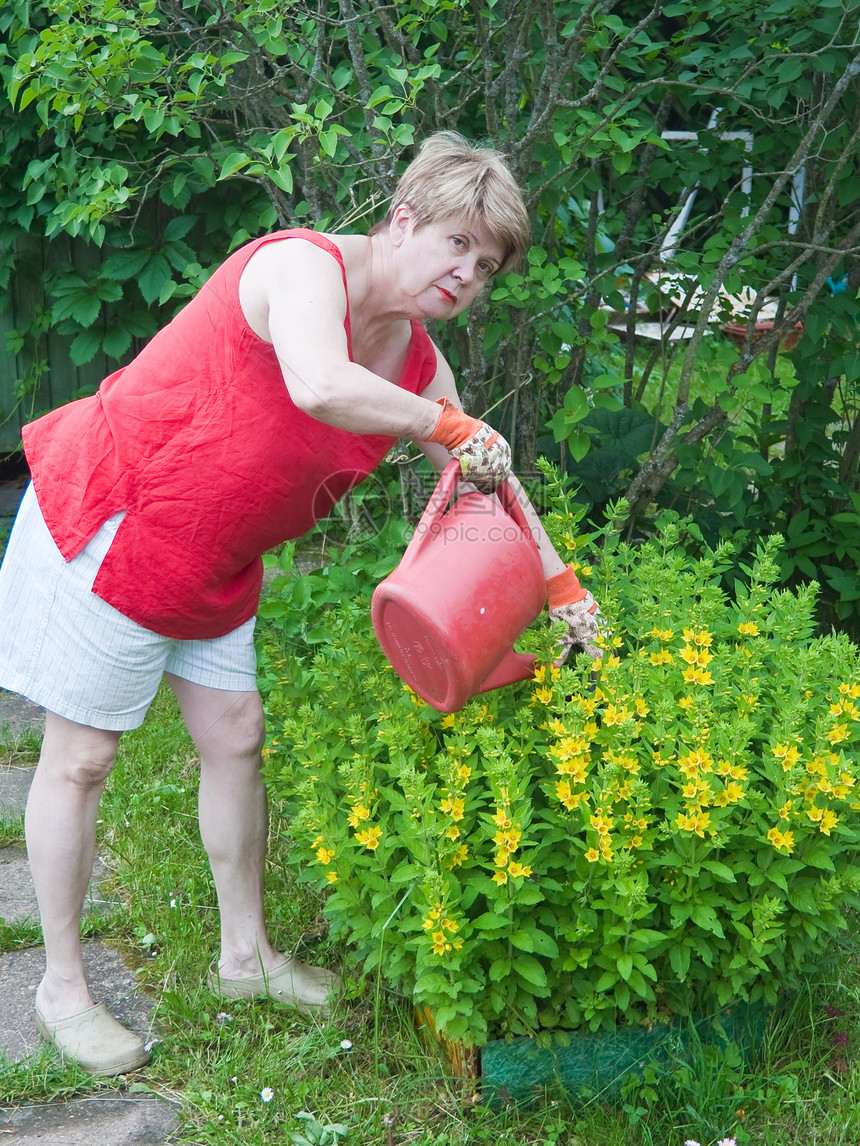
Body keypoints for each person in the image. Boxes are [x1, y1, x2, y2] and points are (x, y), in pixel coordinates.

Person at [0, 132, 601, 1077]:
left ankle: (247, 959)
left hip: (218, 559)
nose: (465, 274)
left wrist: (563, 588)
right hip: (117, 515)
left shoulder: (417, 365)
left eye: (484, 266)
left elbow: (482, 481)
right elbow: (318, 382)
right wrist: (447, 423)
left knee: (236, 735)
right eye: (455, 244)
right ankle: (60, 990)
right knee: (81, 759)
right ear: (402, 218)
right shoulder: (300, 265)